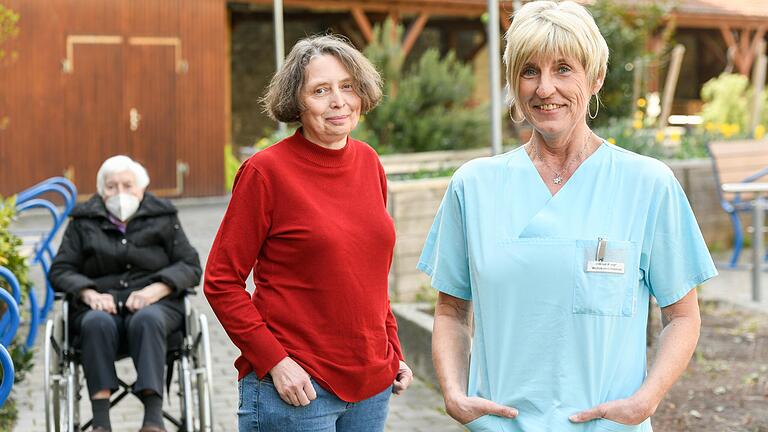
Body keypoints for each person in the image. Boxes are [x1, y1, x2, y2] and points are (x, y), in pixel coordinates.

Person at [419, 2, 718, 431]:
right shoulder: (473, 186)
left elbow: (683, 316)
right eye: (528, 71)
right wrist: (452, 392)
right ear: (512, 83)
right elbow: (450, 310)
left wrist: (645, 401)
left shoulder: (647, 184)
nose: (544, 89)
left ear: (595, 78)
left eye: (563, 69)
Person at [204, 34, 413, 432]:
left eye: (347, 86)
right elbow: (221, 282)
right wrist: (275, 362)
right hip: (297, 391)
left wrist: (392, 350)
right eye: (321, 90)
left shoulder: (369, 162)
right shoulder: (266, 173)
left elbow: (370, 276)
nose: (338, 101)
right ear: (297, 102)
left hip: (371, 387)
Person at [49, 155, 202, 432]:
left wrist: (157, 289)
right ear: (100, 189)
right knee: (95, 322)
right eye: (111, 186)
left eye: (127, 185)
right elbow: (60, 269)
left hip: (156, 306)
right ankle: (101, 422)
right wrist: (87, 292)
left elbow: (190, 265)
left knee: (148, 319)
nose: (120, 193)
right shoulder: (83, 221)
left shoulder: (163, 216)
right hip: (100, 306)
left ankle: (153, 421)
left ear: (141, 188)